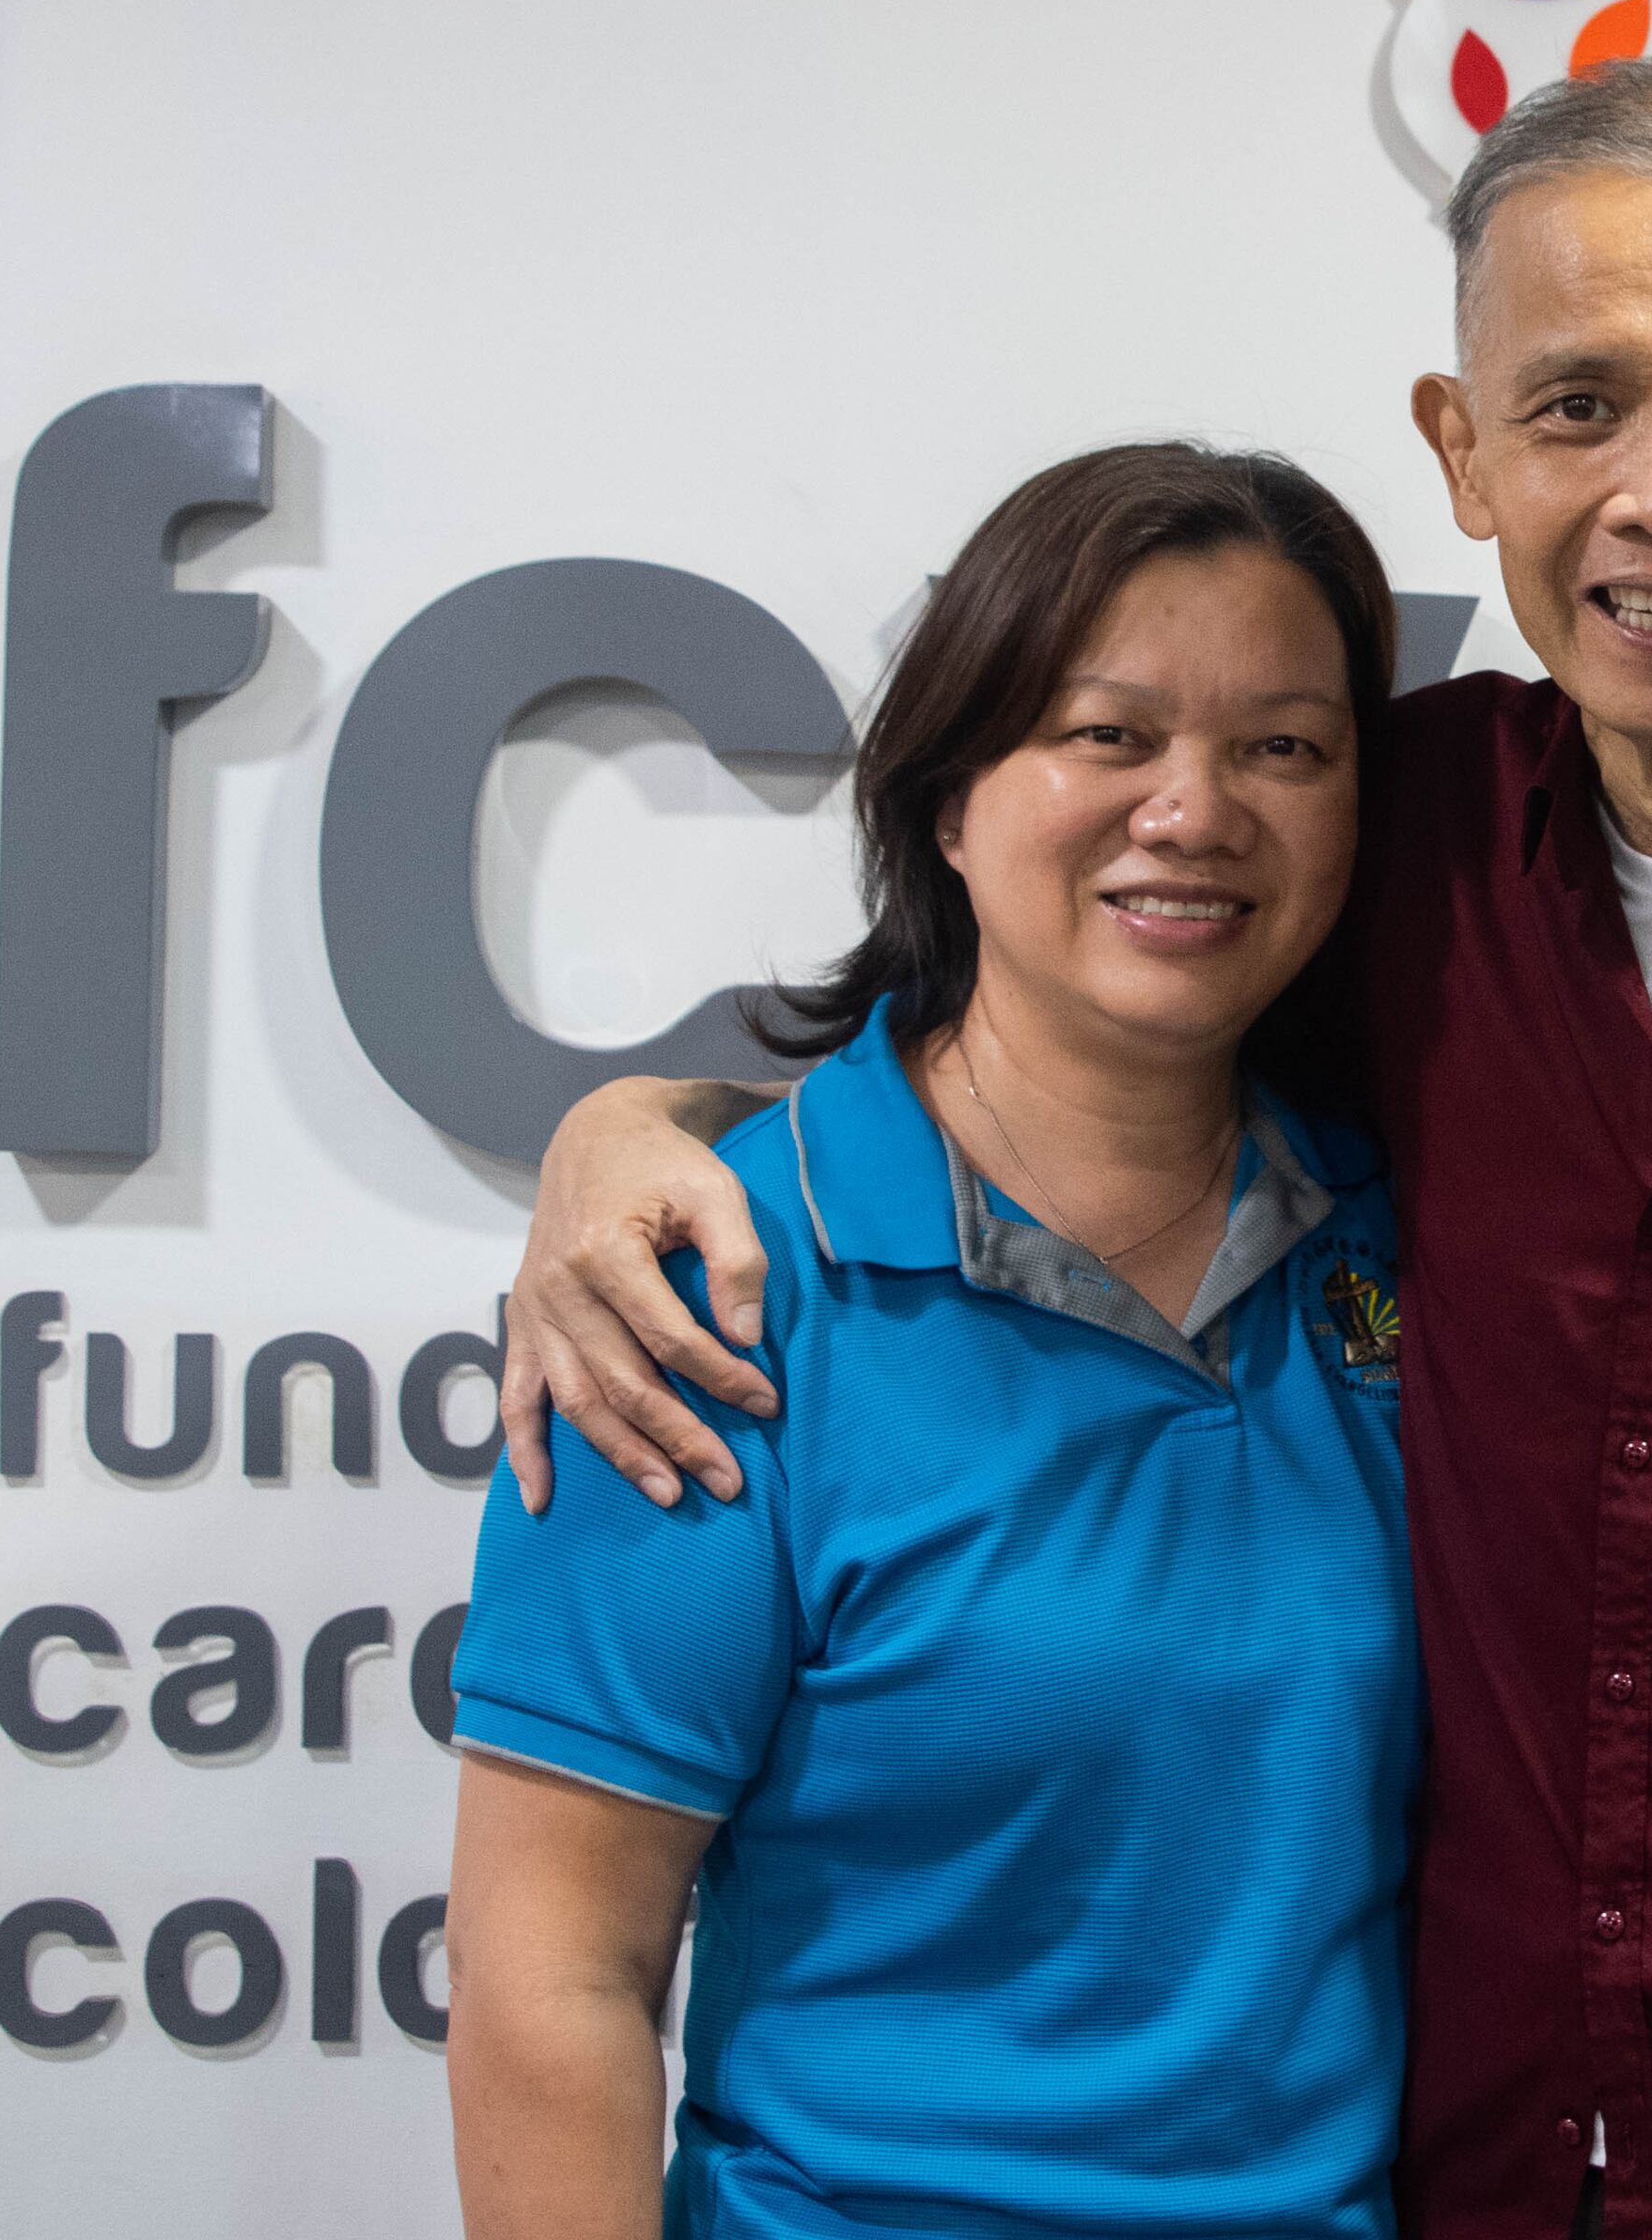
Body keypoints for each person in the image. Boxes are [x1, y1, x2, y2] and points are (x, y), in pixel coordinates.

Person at [491, 63, 1652, 2240]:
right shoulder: (1381, 844)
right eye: (1580, 404)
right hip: (1494, 2179)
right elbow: (1018, 1025)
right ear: (1465, 451)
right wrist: (627, 1129)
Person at [444, 443, 1422, 2237]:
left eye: (1284, 747)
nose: (1194, 810)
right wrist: (633, 1126)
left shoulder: (1412, 1232)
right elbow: (550, 1986)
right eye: (1108, 735)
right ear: (948, 796)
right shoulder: (707, 1290)